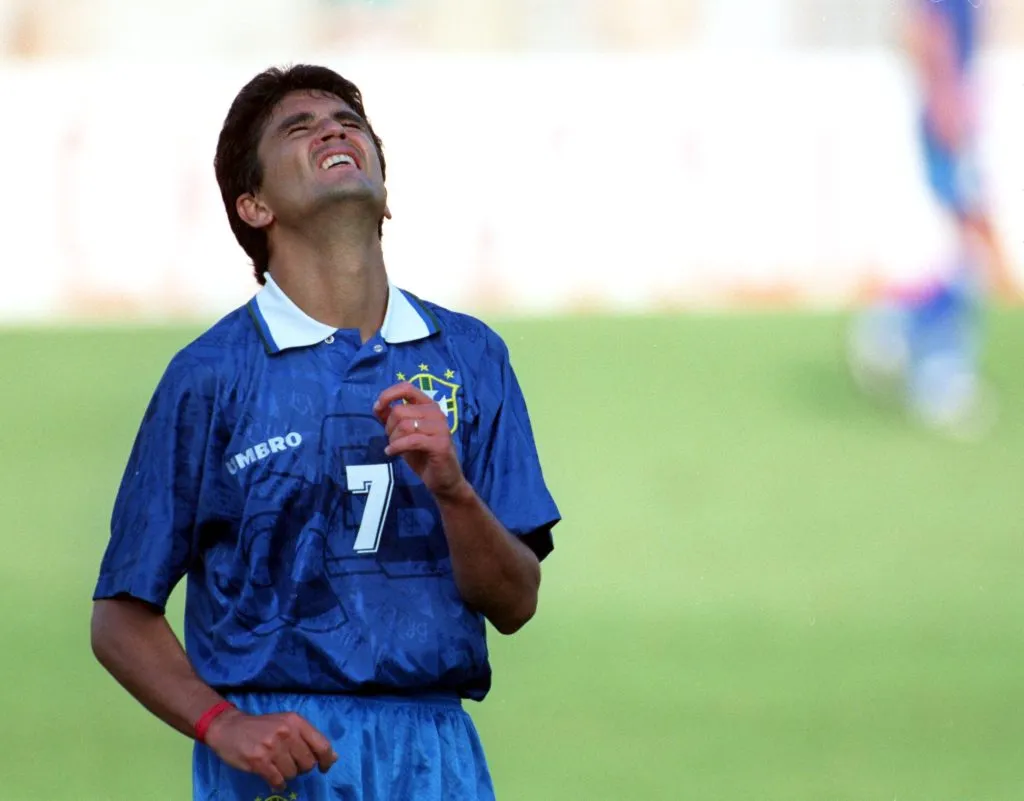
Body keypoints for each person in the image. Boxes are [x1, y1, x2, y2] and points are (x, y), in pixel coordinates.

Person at [90, 64, 560, 801]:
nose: (334, 130)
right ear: (253, 206)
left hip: (437, 757)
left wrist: (454, 491)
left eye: (348, 122)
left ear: (385, 192)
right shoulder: (210, 374)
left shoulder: (473, 356)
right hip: (278, 764)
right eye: (298, 128)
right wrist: (222, 723)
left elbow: (516, 601)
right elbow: (119, 616)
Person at [847, 0, 1016, 437]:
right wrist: (946, 97)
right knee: (970, 247)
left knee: (966, 248)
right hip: (949, 118)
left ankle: (901, 331)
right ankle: (928, 358)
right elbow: (926, 32)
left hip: (955, 111)